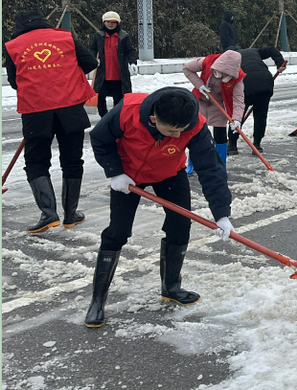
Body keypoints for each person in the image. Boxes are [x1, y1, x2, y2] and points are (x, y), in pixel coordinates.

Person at [85, 87, 233, 328]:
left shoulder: (194, 125)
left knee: (179, 226)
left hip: (169, 173)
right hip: (128, 177)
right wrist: (115, 172)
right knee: (117, 232)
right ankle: (98, 300)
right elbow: (100, 138)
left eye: (181, 131)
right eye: (171, 131)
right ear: (153, 118)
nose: (177, 136)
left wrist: (221, 214)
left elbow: (211, 169)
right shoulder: (127, 111)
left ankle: (171, 287)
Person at [3, 11, 98, 233]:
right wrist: (66, 75)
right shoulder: (64, 37)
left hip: (36, 112)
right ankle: (71, 214)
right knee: (72, 160)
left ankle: (48, 214)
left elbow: (14, 81)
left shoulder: (13, 45)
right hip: (70, 108)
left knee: (36, 161)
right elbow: (90, 61)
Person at [182, 50, 245, 167]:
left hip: (219, 105)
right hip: (201, 100)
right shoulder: (207, 61)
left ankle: (221, 166)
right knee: (196, 133)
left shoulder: (237, 78)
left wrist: (237, 119)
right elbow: (187, 68)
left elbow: (238, 100)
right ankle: (192, 165)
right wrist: (199, 85)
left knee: (220, 135)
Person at [227, 46, 286, 154]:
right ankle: (257, 145)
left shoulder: (230, 57)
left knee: (238, 114)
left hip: (247, 83)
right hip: (266, 81)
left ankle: (232, 145)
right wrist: (280, 63)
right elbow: (271, 50)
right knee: (260, 115)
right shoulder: (254, 51)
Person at [90, 11, 139, 118]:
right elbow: (93, 49)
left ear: (118, 23)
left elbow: (130, 50)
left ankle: (116, 118)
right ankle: (104, 117)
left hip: (118, 74)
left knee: (119, 97)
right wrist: (94, 59)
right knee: (100, 96)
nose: (110, 24)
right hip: (103, 74)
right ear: (104, 22)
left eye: (113, 22)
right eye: (108, 22)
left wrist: (133, 62)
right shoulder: (99, 35)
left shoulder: (123, 36)